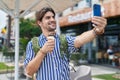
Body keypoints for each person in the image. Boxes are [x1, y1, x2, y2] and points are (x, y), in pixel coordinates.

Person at [24, 7, 107, 80]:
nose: (52, 19)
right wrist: (42, 52)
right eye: (48, 18)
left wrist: (96, 31)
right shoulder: (33, 44)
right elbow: (29, 72)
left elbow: (79, 40)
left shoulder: (64, 40)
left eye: (53, 17)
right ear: (39, 22)